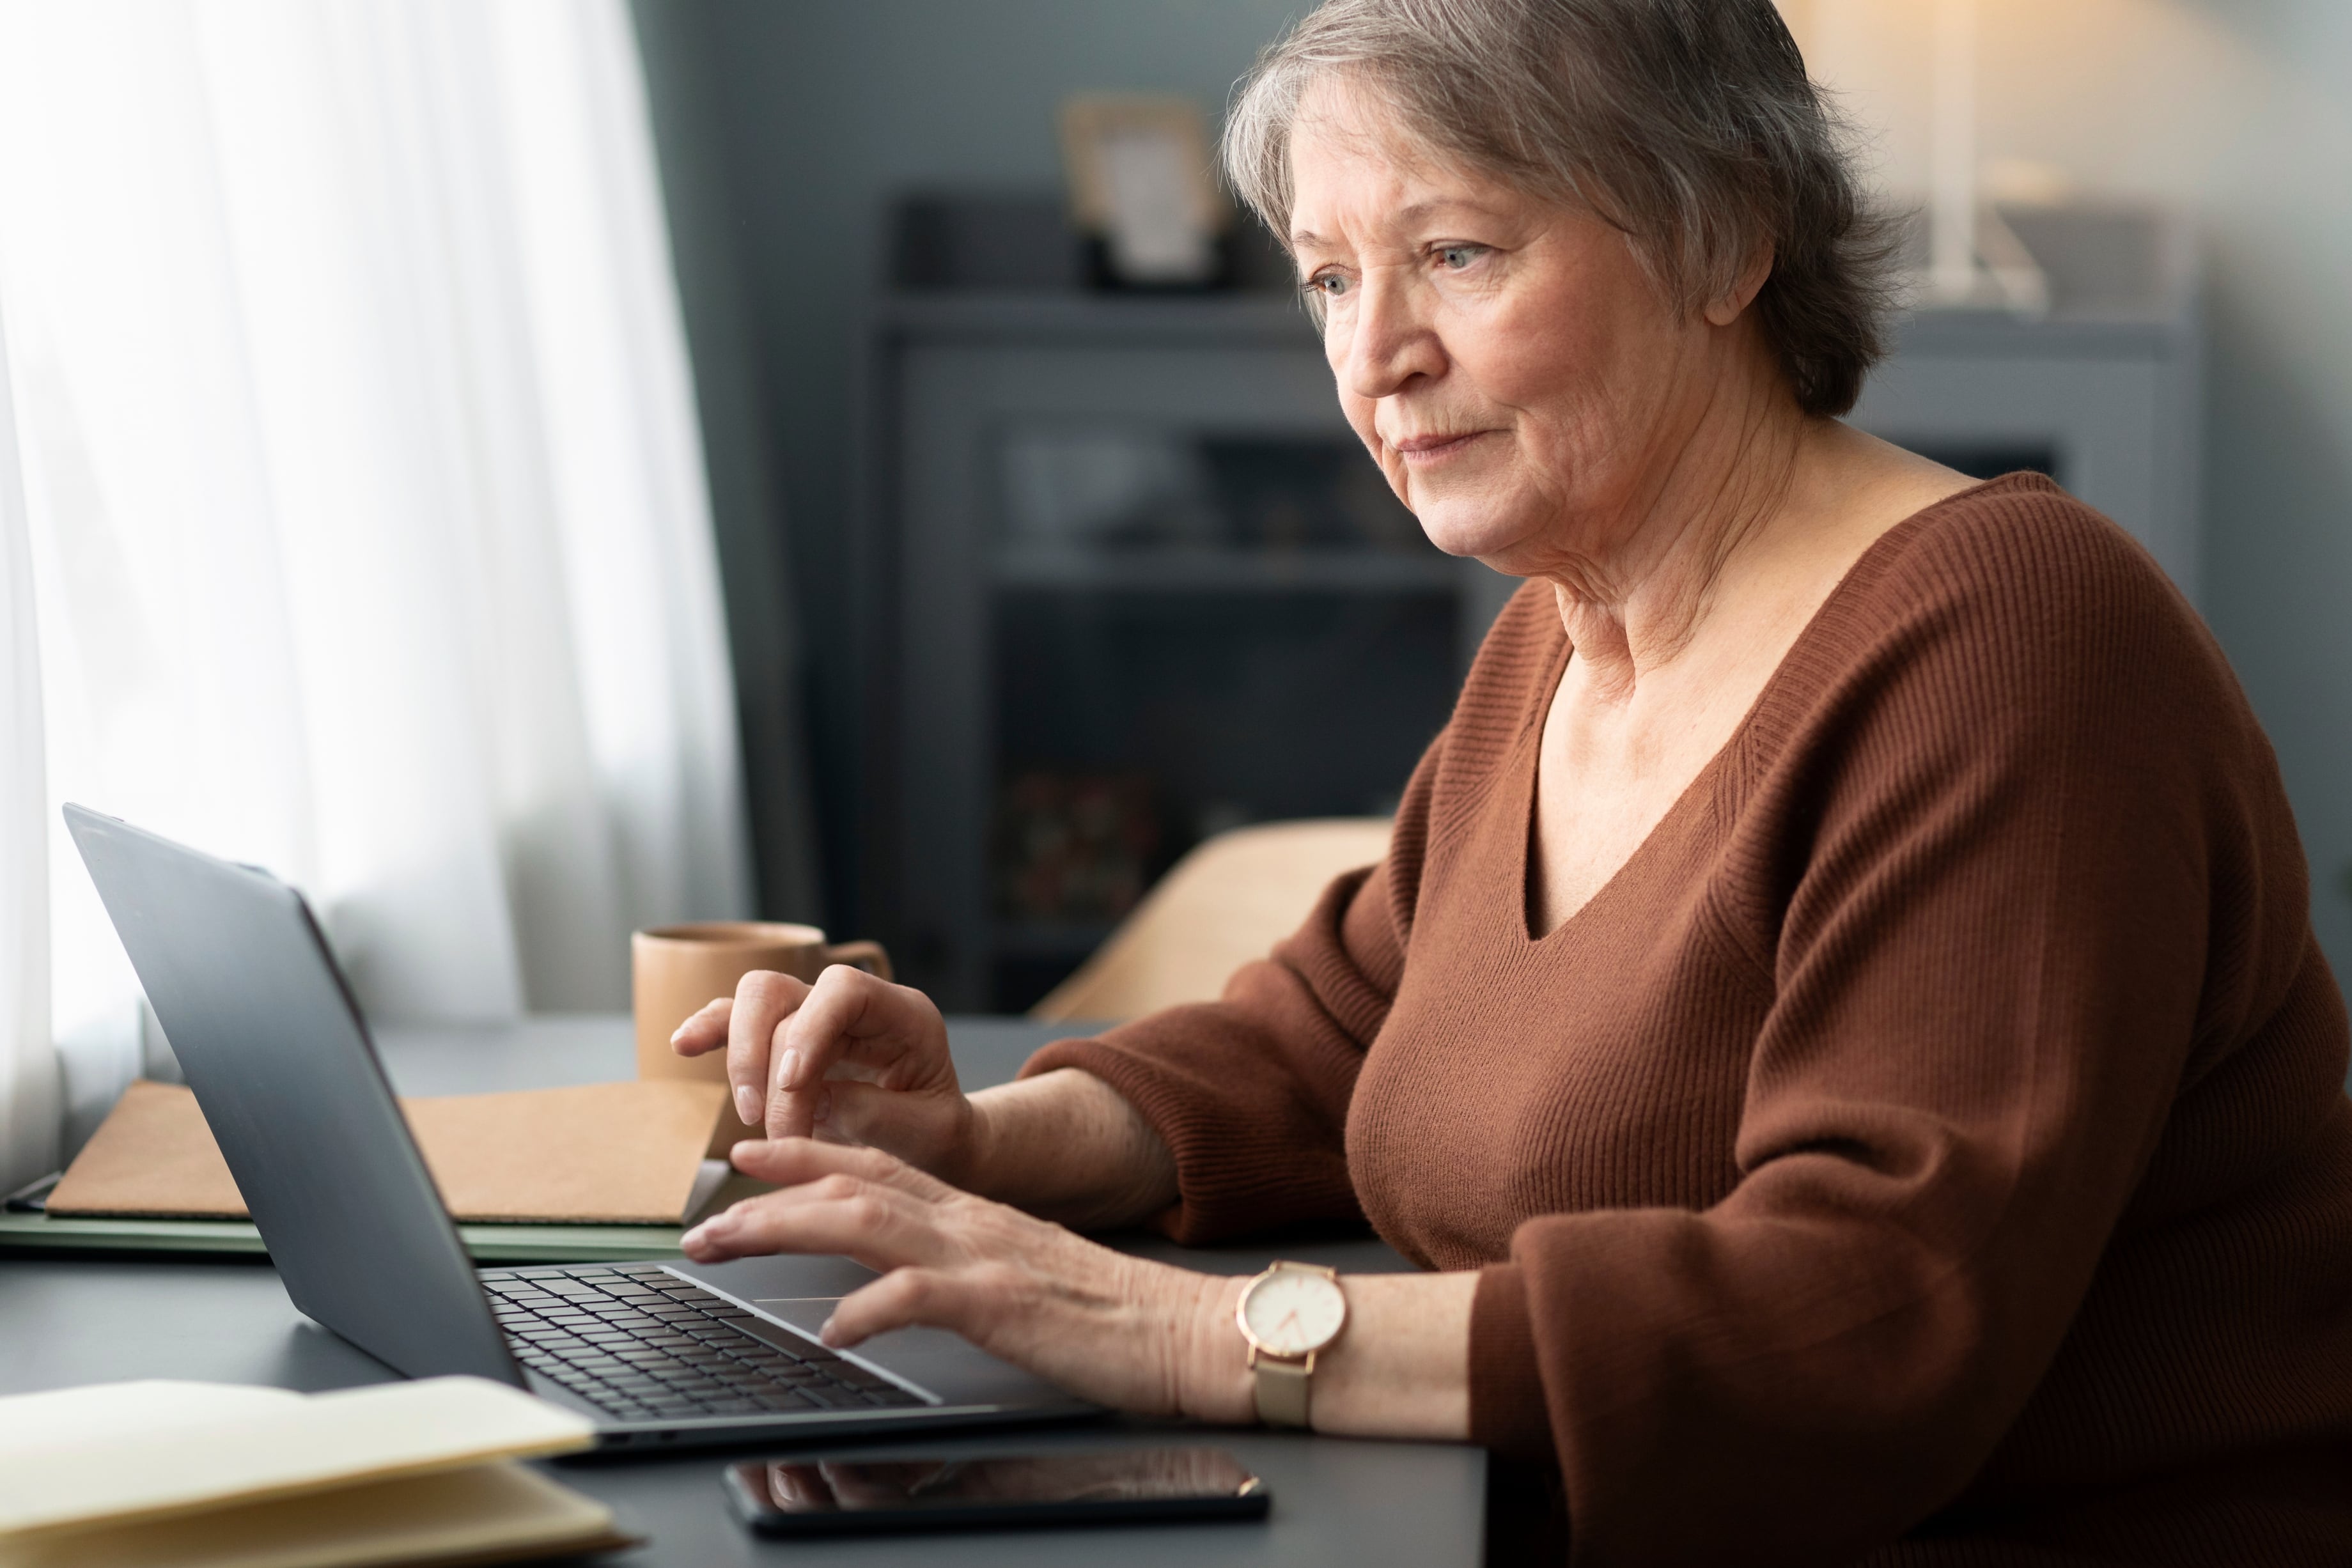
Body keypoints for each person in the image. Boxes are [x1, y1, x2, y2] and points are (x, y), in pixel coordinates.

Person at [673, 1, 2352, 1560]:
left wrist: (1182, 1330)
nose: (1374, 355)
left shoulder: (2011, 641)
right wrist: (980, 1140)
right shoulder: (1559, 636)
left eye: (1455, 254)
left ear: (1724, 241)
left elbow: (1866, 1316)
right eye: (1330, 280)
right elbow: (1341, 1036)